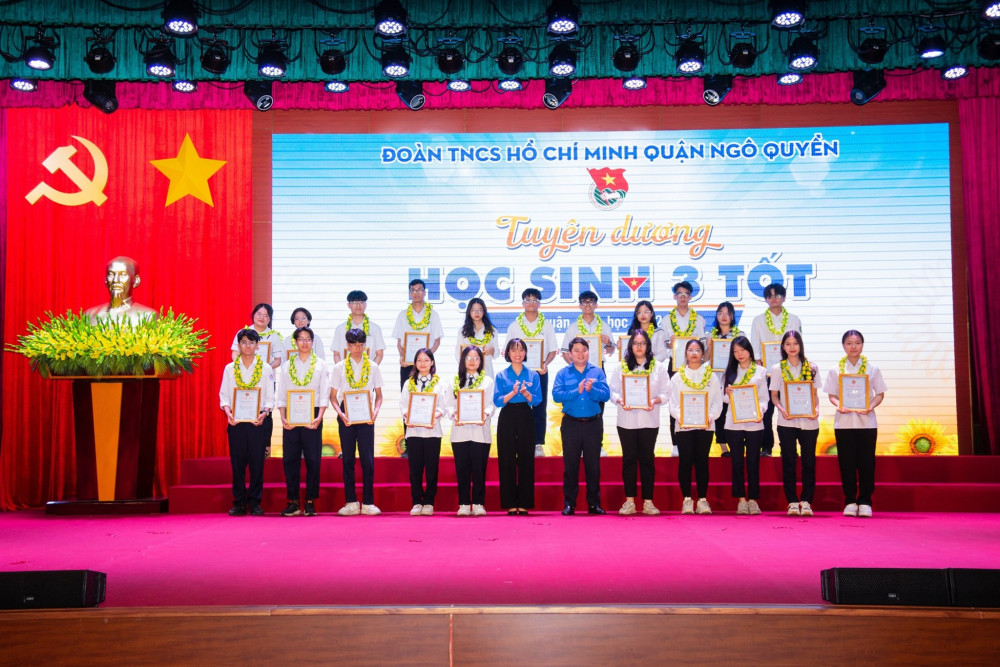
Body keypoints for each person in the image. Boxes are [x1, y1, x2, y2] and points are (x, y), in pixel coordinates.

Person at [823, 330, 887, 518]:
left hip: (867, 423)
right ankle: (850, 501)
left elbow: (880, 394)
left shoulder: (872, 369)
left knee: (867, 463)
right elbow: (832, 395)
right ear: (843, 346)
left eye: (857, 343)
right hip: (844, 423)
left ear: (862, 345)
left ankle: (865, 501)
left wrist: (870, 406)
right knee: (847, 464)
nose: (853, 347)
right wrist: (839, 405)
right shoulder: (836, 370)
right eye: (849, 343)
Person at [608, 329, 669, 516]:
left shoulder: (658, 367)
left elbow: (666, 393)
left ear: (648, 345)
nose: (639, 347)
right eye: (635, 343)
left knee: (647, 461)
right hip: (626, 421)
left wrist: (655, 401)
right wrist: (620, 400)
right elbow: (612, 391)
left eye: (642, 343)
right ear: (631, 346)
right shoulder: (621, 366)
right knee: (629, 460)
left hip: (649, 421)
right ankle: (630, 502)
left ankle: (648, 502)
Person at [218, 329, 275, 516]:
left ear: (257, 346)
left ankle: (255, 502)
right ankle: (239, 503)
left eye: (251, 342)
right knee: (238, 465)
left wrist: (264, 413)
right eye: (244, 342)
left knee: (257, 464)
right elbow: (224, 396)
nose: (248, 346)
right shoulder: (230, 368)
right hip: (236, 422)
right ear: (239, 345)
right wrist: (228, 413)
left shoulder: (265, 368)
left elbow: (270, 397)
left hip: (258, 421)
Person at [552, 337, 611, 515]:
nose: (580, 354)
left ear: (588, 352)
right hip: (571, 424)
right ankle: (569, 504)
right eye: (576, 350)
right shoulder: (563, 373)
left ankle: (594, 504)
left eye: (584, 350)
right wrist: (575, 391)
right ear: (570, 354)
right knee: (571, 466)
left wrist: (592, 390)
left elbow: (606, 395)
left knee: (593, 466)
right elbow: (556, 395)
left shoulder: (597, 372)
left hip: (593, 424)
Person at [329, 328, 384, 516]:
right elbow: (333, 397)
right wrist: (341, 414)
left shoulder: (373, 367)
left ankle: (368, 502)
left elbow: (379, 395)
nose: (357, 348)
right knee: (348, 459)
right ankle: (351, 502)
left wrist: (375, 412)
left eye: (361, 345)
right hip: (346, 414)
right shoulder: (339, 367)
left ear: (365, 345)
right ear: (347, 346)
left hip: (366, 414)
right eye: (354, 345)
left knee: (368, 459)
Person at [276, 327, 329, 517]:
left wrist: (319, 417)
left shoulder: (321, 365)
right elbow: (281, 394)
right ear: (295, 342)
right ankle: (293, 502)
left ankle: (310, 501)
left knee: (313, 459)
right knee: (290, 459)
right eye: (301, 339)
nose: (304, 343)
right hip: (291, 415)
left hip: (313, 415)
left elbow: (324, 393)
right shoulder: (286, 366)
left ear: (312, 342)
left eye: (308, 339)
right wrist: (283, 416)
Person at [668, 339, 723, 515]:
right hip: (683, 427)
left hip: (705, 426)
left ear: (702, 354)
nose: (694, 353)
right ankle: (686, 500)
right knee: (685, 462)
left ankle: (702, 500)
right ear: (685, 353)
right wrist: (682, 418)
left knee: (702, 462)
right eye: (690, 350)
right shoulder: (677, 377)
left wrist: (710, 417)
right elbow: (673, 403)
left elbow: (717, 402)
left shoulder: (711, 376)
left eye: (698, 350)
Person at [769, 330, 820, 517]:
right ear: (783, 347)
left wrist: (817, 409)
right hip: (786, 422)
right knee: (788, 462)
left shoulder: (811, 367)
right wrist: (781, 409)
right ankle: (791, 501)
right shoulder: (777, 369)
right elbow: (774, 396)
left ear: (800, 345)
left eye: (795, 343)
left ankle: (806, 501)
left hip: (809, 422)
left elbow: (815, 395)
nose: (792, 347)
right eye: (788, 344)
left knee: (809, 462)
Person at [391, 279, 444, 459]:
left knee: (429, 399)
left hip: (427, 366)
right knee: (408, 402)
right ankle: (409, 445)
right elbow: (400, 342)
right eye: (413, 290)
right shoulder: (402, 315)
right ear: (409, 293)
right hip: (407, 366)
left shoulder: (433, 315)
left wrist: (425, 359)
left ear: (425, 292)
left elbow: (436, 341)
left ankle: (428, 439)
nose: (416, 293)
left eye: (420, 290)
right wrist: (403, 356)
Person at [750, 283, 803, 456]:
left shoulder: (794, 319)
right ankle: (766, 447)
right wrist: (761, 369)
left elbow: (798, 345)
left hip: (789, 371)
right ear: (766, 299)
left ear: (784, 298)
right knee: (766, 411)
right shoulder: (758, 320)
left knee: (789, 408)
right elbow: (755, 346)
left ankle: (788, 447)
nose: (774, 299)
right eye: (770, 296)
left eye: (777, 295)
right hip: (765, 372)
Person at [505, 288, 558, 457]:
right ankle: (518, 442)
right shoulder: (514, 326)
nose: (531, 303)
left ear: (539, 304)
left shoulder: (547, 325)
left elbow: (552, 350)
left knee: (539, 407)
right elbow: (507, 351)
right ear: (523, 303)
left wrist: (545, 364)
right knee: (517, 407)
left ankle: (538, 443)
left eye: (535, 300)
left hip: (539, 372)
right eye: (528, 300)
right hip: (517, 373)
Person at [493, 338, 542, 515]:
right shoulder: (501, 375)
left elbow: (537, 400)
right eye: (513, 350)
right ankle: (510, 502)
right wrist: (513, 393)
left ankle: (524, 502)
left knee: (526, 458)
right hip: (507, 415)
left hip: (525, 415)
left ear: (526, 352)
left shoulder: (533, 375)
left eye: (521, 349)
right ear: (508, 353)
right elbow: (497, 401)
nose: (517, 353)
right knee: (506, 458)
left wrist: (526, 394)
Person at [722, 336, 769, 515]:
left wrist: (761, 412)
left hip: (754, 423)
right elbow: (723, 398)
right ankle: (741, 500)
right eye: (735, 351)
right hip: (733, 423)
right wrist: (728, 393)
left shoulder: (760, 371)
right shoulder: (729, 371)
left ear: (749, 350)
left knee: (753, 462)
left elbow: (764, 398)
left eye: (742, 350)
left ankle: (753, 500)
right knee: (736, 462)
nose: (739, 354)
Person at [447, 346, 496, 517]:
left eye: (476, 358)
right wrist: (455, 415)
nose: (472, 361)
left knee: (479, 470)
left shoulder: (487, 381)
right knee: (462, 470)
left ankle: (478, 503)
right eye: (469, 357)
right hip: (460, 433)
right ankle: (463, 503)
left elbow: (491, 404)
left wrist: (485, 414)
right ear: (463, 360)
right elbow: (448, 405)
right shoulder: (454, 381)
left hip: (480, 432)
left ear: (481, 361)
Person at [230, 303, 284, 456]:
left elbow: (278, 360)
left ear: (270, 319)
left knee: (266, 412)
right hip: (244, 377)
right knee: (244, 406)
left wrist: (263, 370)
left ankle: (265, 447)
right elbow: (235, 354)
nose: (262, 318)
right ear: (253, 315)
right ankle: (244, 446)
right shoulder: (243, 332)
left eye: (266, 315)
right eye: (259, 314)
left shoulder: (274, 336)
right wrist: (246, 368)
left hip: (266, 379)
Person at [401, 348, 448, 515]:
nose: (423, 364)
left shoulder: (440, 384)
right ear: (415, 363)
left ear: (432, 362)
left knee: (431, 468)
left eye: (426, 360)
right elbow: (403, 406)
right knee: (415, 468)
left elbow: (443, 407)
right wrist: (409, 416)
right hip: (413, 432)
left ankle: (429, 502)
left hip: (432, 432)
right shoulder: (408, 383)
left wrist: (432, 418)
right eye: (419, 360)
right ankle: (416, 501)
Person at [661, 281, 706, 457]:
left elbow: (702, 344)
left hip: (695, 367)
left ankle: (695, 439)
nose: (683, 297)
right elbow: (663, 345)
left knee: (694, 400)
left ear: (691, 297)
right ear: (674, 296)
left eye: (686, 294)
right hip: (674, 366)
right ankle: (676, 443)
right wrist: (670, 343)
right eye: (679, 293)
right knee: (674, 403)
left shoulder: (699, 319)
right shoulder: (666, 320)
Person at [707, 301, 740, 457]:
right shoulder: (710, 336)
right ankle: (723, 448)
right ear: (716, 315)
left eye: (728, 313)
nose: (724, 316)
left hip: (734, 378)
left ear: (732, 316)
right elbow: (704, 359)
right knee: (718, 413)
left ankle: (736, 446)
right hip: (715, 378)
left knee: (733, 412)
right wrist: (709, 347)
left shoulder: (739, 335)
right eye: (720, 313)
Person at [84, 255, 157, 324]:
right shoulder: (90, 315)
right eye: (111, 274)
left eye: (122, 275)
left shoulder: (148, 316)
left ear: (136, 281)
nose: (115, 280)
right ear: (106, 280)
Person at [561, 290, 616, 365]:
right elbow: (565, 352)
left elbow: (611, 351)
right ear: (580, 306)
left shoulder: (604, 326)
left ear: (596, 305)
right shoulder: (572, 328)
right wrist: (575, 367)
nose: (587, 305)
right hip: (578, 367)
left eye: (591, 302)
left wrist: (609, 344)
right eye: (584, 302)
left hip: (598, 367)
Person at [331, 290, 386, 365]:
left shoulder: (375, 328)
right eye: (354, 302)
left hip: (368, 370)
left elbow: (379, 354)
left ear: (365, 305)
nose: (358, 305)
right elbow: (336, 354)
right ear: (348, 305)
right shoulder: (340, 329)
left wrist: (372, 370)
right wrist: (341, 370)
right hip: (345, 370)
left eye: (361, 302)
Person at [456, 298, 500, 377]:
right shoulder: (463, 331)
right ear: (469, 312)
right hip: (468, 374)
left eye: (480, 310)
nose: (477, 313)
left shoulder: (492, 331)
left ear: (484, 312)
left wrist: (492, 351)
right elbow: (458, 354)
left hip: (486, 372)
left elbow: (496, 354)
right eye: (473, 310)